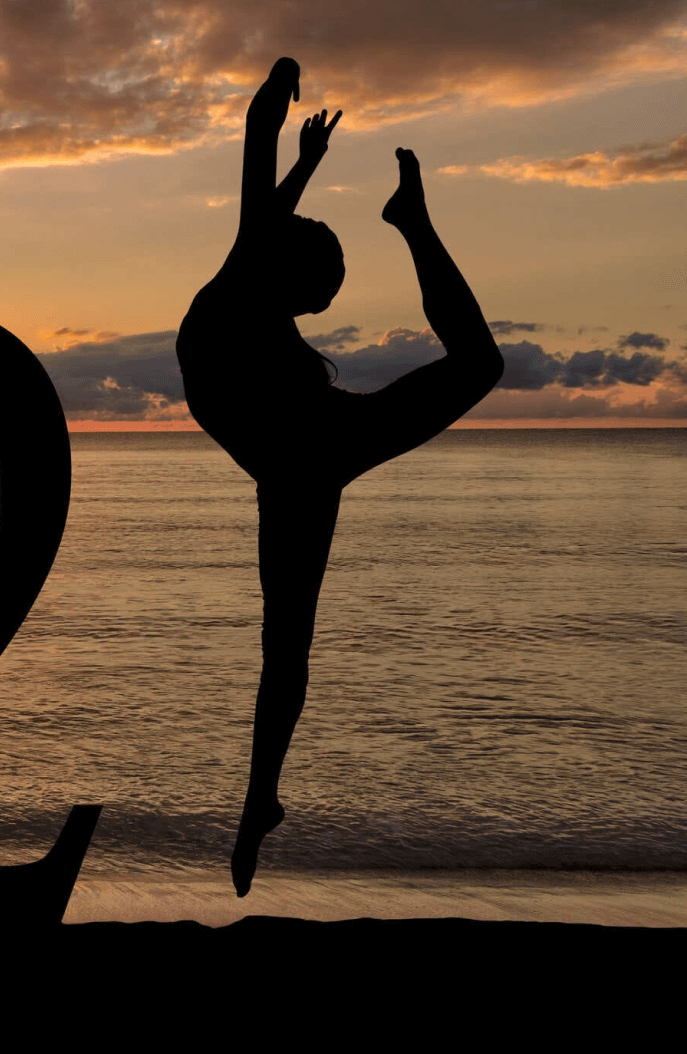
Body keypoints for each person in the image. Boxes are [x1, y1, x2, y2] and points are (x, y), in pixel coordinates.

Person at [176, 57, 504, 896]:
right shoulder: (249, 277)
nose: (314, 305)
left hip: (302, 458)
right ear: (294, 277)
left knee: (286, 647)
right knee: (480, 364)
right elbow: (259, 158)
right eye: (320, 290)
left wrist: (299, 144)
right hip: (317, 453)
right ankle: (414, 223)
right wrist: (282, 97)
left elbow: (262, 174)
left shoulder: (238, 288)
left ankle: (259, 800)